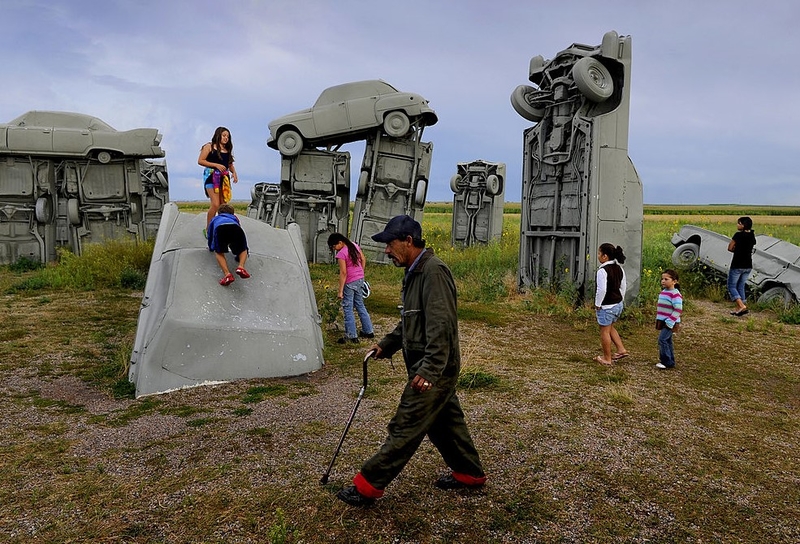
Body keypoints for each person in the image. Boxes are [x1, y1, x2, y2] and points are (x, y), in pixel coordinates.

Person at [336, 215, 487, 507]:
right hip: (431, 367)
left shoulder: (433, 272)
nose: (386, 251)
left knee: (406, 425)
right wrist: (388, 345)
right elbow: (412, 321)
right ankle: (469, 473)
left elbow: (441, 325)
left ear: (408, 241)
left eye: (390, 244)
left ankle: (368, 485)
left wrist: (430, 369)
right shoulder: (415, 272)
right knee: (446, 424)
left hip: (433, 368)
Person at [327, 233, 374, 344]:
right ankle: (368, 331)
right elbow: (363, 259)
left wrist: (340, 291)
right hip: (359, 280)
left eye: (334, 246)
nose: (334, 249)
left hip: (349, 282)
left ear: (340, 242)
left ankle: (351, 335)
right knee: (360, 305)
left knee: (348, 308)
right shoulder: (354, 246)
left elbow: (343, 273)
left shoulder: (341, 254)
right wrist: (360, 273)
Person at [593, 243, 629, 365]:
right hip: (617, 304)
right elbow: (623, 285)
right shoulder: (619, 268)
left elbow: (602, 289)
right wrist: (620, 299)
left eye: (599, 253)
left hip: (606, 306)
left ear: (605, 256)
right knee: (610, 327)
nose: (598, 256)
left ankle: (607, 359)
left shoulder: (602, 270)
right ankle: (621, 349)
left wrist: (598, 304)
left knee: (604, 331)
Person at [198, 127, 239, 231]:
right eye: (224, 135)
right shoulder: (209, 146)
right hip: (211, 177)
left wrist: (234, 172)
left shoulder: (227, 149)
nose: (226, 138)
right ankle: (208, 229)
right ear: (218, 135)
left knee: (223, 205)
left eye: (228, 137)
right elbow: (201, 161)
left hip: (224, 179)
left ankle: (221, 226)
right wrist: (216, 165)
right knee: (215, 204)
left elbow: (229, 164)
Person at [207, 204, 250, 286]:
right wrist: (238, 255)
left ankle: (227, 274)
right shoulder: (234, 218)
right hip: (236, 229)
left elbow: (210, 233)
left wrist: (211, 247)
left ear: (219, 213)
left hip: (220, 229)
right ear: (232, 213)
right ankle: (241, 267)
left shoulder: (215, 219)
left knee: (219, 252)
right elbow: (239, 240)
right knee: (243, 249)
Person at [727, 216, 756, 316]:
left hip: (737, 264)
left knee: (731, 286)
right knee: (741, 286)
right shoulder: (752, 235)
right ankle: (740, 308)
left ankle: (741, 305)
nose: (737, 225)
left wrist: (738, 250)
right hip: (748, 265)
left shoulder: (738, 235)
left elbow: (730, 248)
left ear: (743, 225)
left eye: (739, 223)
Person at [655, 269, 683, 369]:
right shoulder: (664, 292)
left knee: (662, 340)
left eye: (666, 279)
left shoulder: (675, 294)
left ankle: (666, 361)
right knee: (667, 340)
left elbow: (678, 309)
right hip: (663, 321)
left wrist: (670, 321)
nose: (663, 281)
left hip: (670, 322)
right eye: (662, 279)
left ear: (674, 281)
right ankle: (670, 361)